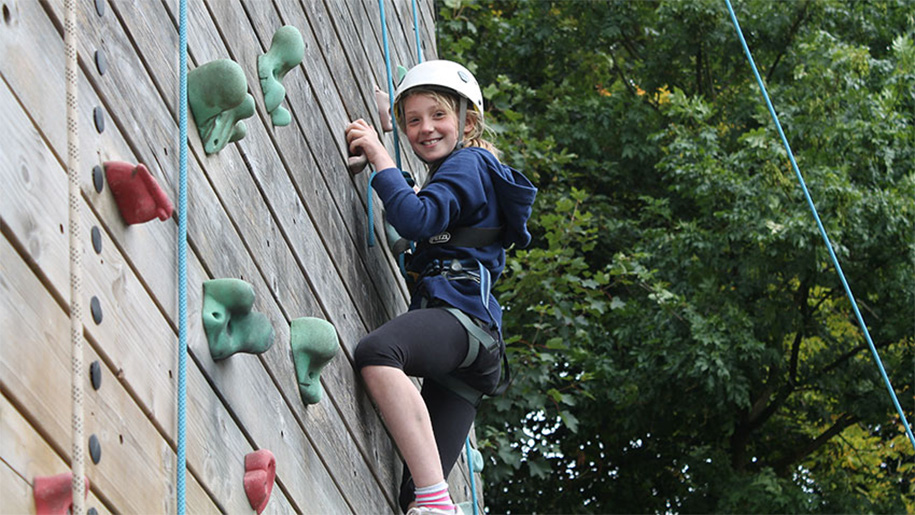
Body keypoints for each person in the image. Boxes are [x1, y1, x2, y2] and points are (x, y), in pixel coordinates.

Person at [344, 60, 536, 515]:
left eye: (438, 115)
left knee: (377, 353)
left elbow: (416, 218)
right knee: (417, 501)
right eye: (413, 120)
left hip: (460, 317)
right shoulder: (465, 175)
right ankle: (437, 501)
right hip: (476, 352)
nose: (425, 128)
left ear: (467, 122)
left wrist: (378, 154)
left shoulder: (470, 162)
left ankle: (439, 501)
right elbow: (413, 226)